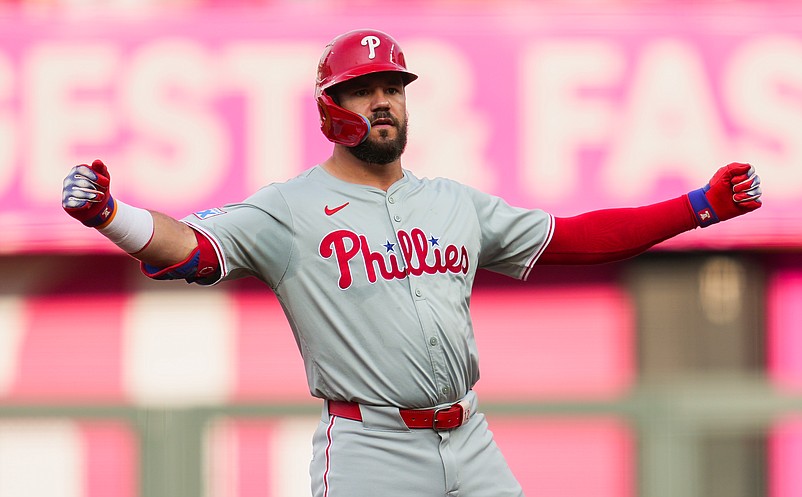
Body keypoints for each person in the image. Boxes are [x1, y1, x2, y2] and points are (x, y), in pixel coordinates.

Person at [62, 29, 762, 497]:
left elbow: (573, 237)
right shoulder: (290, 208)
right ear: (329, 107)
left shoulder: (453, 202)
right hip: (371, 446)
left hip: (471, 436)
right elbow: (193, 248)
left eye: (393, 87)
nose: (384, 101)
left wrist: (698, 205)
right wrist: (109, 215)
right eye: (364, 89)